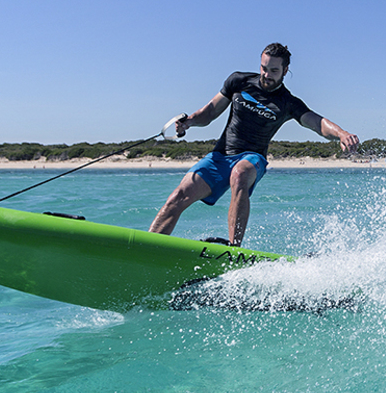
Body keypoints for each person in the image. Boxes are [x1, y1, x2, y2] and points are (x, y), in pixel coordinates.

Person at [148, 43, 358, 247]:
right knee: (178, 196)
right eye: (264, 68)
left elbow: (317, 123)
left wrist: (341, 133)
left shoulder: (287, 102)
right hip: (220, 156)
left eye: (274, 70)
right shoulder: (239, 81)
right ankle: (145, 249)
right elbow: (211, 111)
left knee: (239, 174)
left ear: (285, 71)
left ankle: (233, 250)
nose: (267, 75)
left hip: (252, 158)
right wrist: (190, 121)